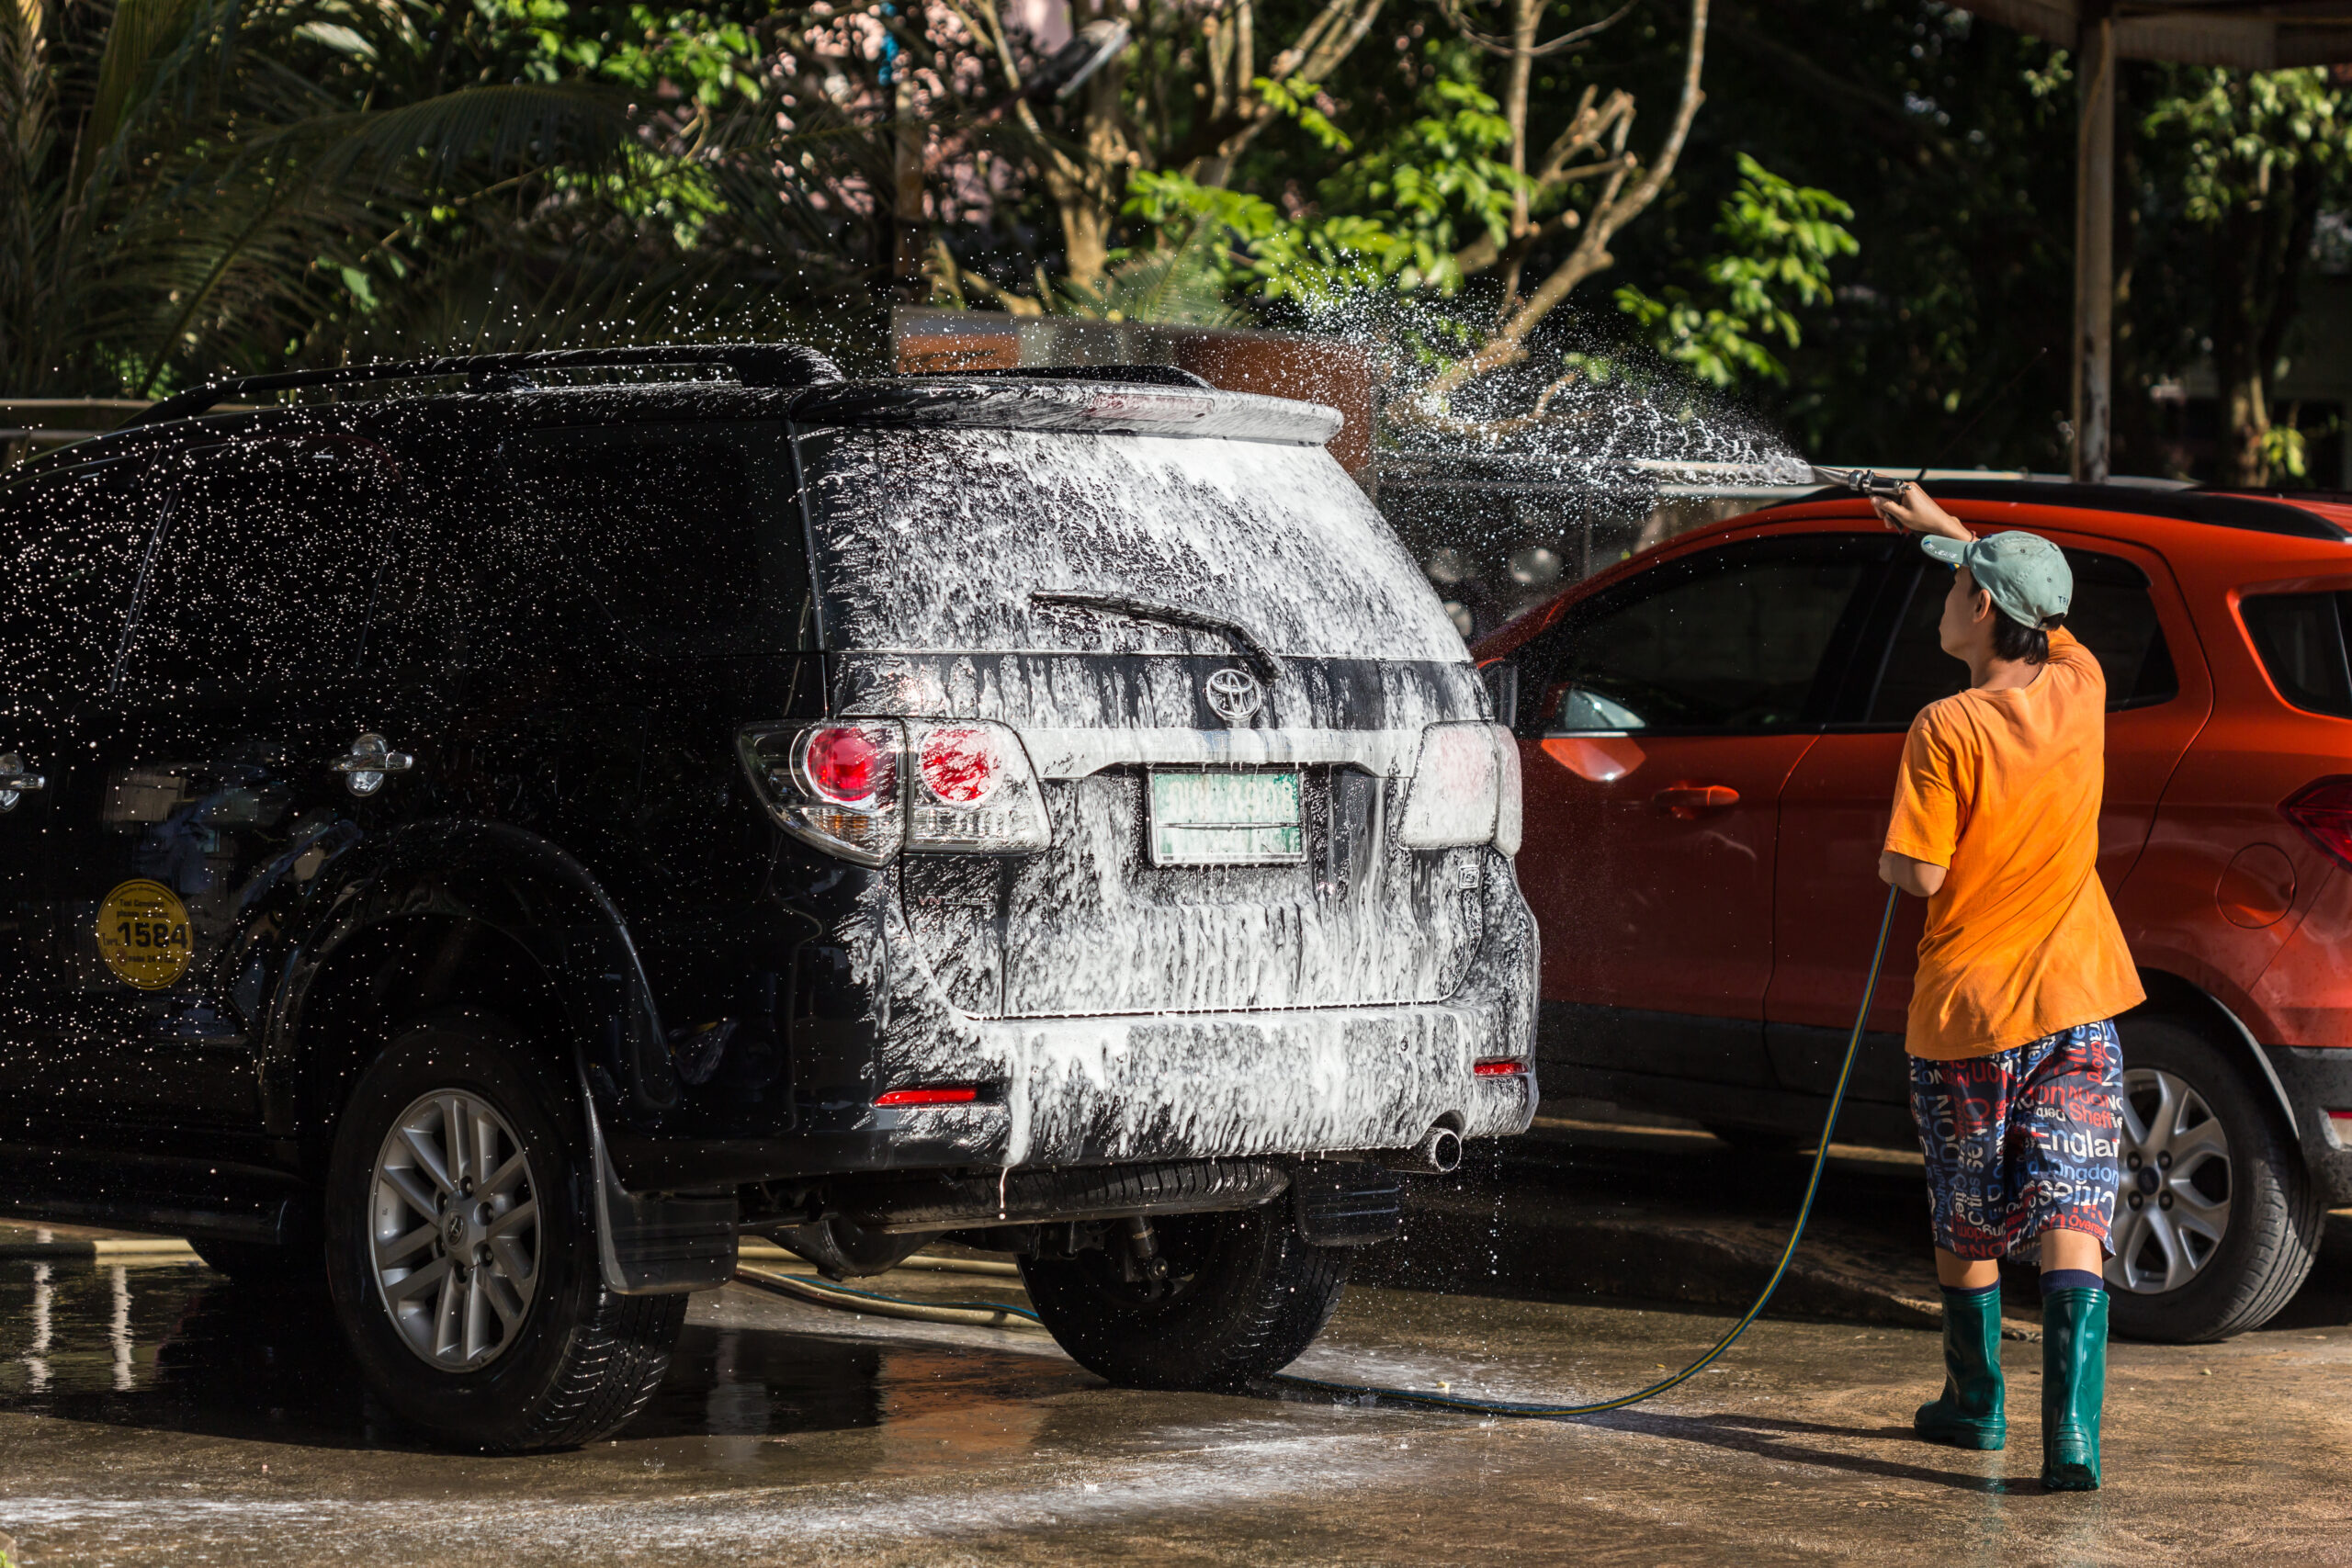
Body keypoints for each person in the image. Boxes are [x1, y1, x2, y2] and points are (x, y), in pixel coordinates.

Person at [1870, 484, 2141, 1492]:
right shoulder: (2084, 683)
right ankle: (2072, 1437)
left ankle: (1974, 1407)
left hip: (1968, 1018)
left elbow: (1923, 875)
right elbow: (2051, 617)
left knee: (1967, 1212)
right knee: (2074, 1202)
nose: (1942, 599)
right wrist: (1950, 533)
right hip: (2078, 1000)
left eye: (1956, 588)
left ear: (1982, 612)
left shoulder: (1944, 726)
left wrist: (1891, 862)